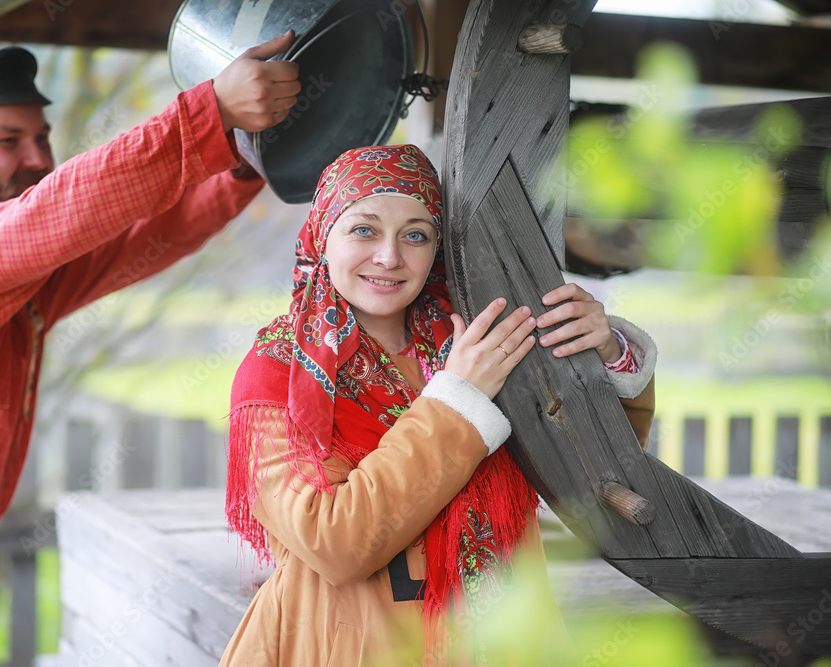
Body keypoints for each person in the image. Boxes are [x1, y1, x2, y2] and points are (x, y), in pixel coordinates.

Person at [0, 34, 300, 666]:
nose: (36, 158)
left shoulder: (14, 270)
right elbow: (54, 213)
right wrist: (208, 112)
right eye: (8, 140)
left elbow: (145, 235)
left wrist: (242, 157)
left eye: (42, 138)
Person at [220, 144, 657, 665]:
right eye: (363, 229)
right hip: (348, 648)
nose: (389, 256)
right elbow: (334, 540)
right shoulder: (278, 372)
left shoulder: (480, 339)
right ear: (321, 233)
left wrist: (607, 355)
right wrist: (459, 402)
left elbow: (600, 474)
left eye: (416, 235)